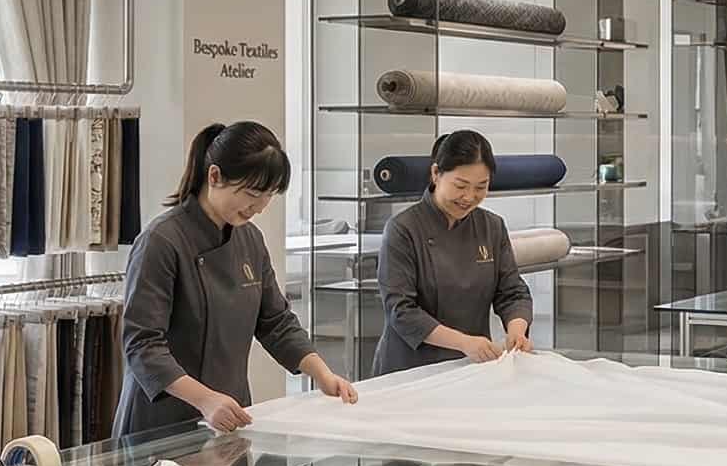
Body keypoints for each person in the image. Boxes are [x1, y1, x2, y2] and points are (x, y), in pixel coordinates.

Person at [114, 121, 357, 436]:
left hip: (230, 412)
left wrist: (321, 373)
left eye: (268, 195)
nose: (259, 207)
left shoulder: (250, 239)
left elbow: (276, 321)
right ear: (214, 176)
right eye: (252, 193)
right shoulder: (161, 241)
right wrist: (205, 399)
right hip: (163, 417)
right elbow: (142, 345)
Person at [372, 130, 537, 376]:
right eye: (460, 186)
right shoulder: (403, 229)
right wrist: (463, 342)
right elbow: (401, 311)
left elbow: (512, 292)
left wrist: (517, 330)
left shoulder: (491, 226)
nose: (469, 197)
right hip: (411, 370)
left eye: (481, 187)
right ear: (436, 174)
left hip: (470, 367)